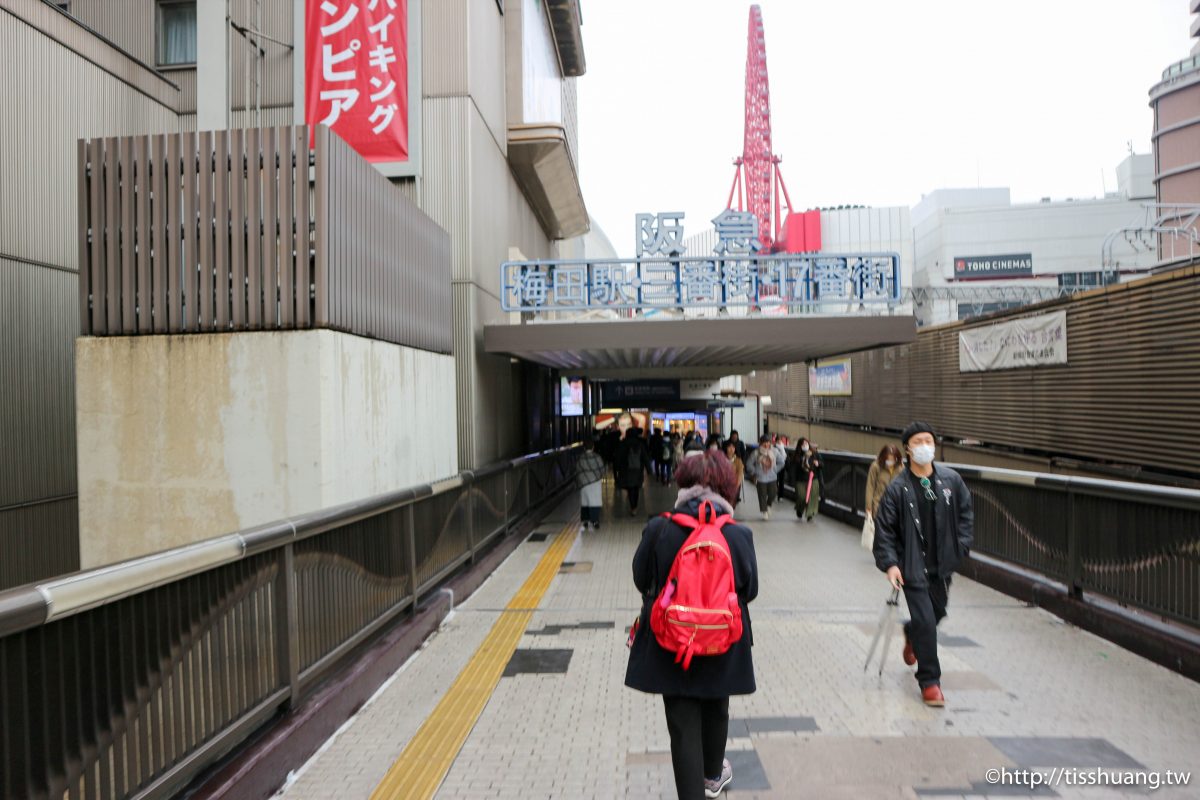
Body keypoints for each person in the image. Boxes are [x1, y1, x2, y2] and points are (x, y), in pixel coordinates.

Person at [625, 449, 758, 800]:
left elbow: (642, 579)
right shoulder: (738, 535)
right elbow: (750, 590)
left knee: (683, 724)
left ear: (682, 482)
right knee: (717, 706)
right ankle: (713, 776)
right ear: (727, 488)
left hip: (673, 641)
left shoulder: (659, 528)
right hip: (723, 640)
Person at [873, 422, 975, 708]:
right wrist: (891, 564)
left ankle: (911, 632)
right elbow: (885, 530)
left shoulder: (951, 481)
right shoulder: (897, 488)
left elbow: (966, 513)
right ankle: (930, 682)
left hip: (943, 564)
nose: (924, 446)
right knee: (928, 622)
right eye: (918, 441)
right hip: (912, 566)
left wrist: (962, 545)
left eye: (928, 440)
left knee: (937, 612)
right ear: (908, 448)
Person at [863, 444, 903, 548]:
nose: (890, 463)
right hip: (878, 504)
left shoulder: (900, 468)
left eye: (893, 460)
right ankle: (882, 551)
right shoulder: (876, 466)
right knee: (880, 530)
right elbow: (870, 487)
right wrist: (868, 508)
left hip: (895, 504)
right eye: (888, 460)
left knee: (895, 530)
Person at [744, 435, 783, 520]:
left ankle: (768, 505)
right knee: (762, 495)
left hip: (772, 477)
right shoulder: (756, 452)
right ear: (761, 443)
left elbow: (782, 462)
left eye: (768, 442)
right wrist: (755, 472)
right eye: (764, 442)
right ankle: (764, 511)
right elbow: (749, 464)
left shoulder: (775, 451)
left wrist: (775, 469)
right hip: (761, 478)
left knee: (773, 493)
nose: (766, 444)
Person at [615, 427, 651, 515]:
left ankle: (633, 507)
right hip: (638, 470)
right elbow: (645, 457)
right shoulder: (640, 444)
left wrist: (616, 468)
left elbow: (618, 457)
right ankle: (634, 507)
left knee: (630, 488)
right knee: (636, 488)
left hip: (627, 470)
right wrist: (649, 469)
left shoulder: (623, 443)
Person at [576, 439, 606, 530]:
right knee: (595, 501)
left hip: (584, 482)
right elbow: (602, 468)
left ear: (584, 447)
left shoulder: (581, 458)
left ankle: (585, 521)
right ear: (593, 447)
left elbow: (577, 470)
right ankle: (595, 521)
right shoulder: (597, 457)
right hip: (595, 482)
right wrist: (600, 475)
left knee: (585, 502)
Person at [797, 444, 823, 522]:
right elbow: (795, 466)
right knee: (802, 497)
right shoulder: (799, 455)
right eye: (803, 444)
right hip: (801, 479)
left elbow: (822, 464)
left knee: (812, 497)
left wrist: (818, 463)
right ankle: (800, 509)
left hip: (813, 478)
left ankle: (810, 513)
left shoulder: (816, 455)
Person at [723, 440, 745, 507]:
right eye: (729, 447)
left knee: (731, 504)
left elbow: (740, 473)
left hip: (734, 485)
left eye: (733, 447)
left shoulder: (738, 460)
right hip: (723, 485)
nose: (731, 449)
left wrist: (736, 485)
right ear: (725, 448)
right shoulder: (721, 458)